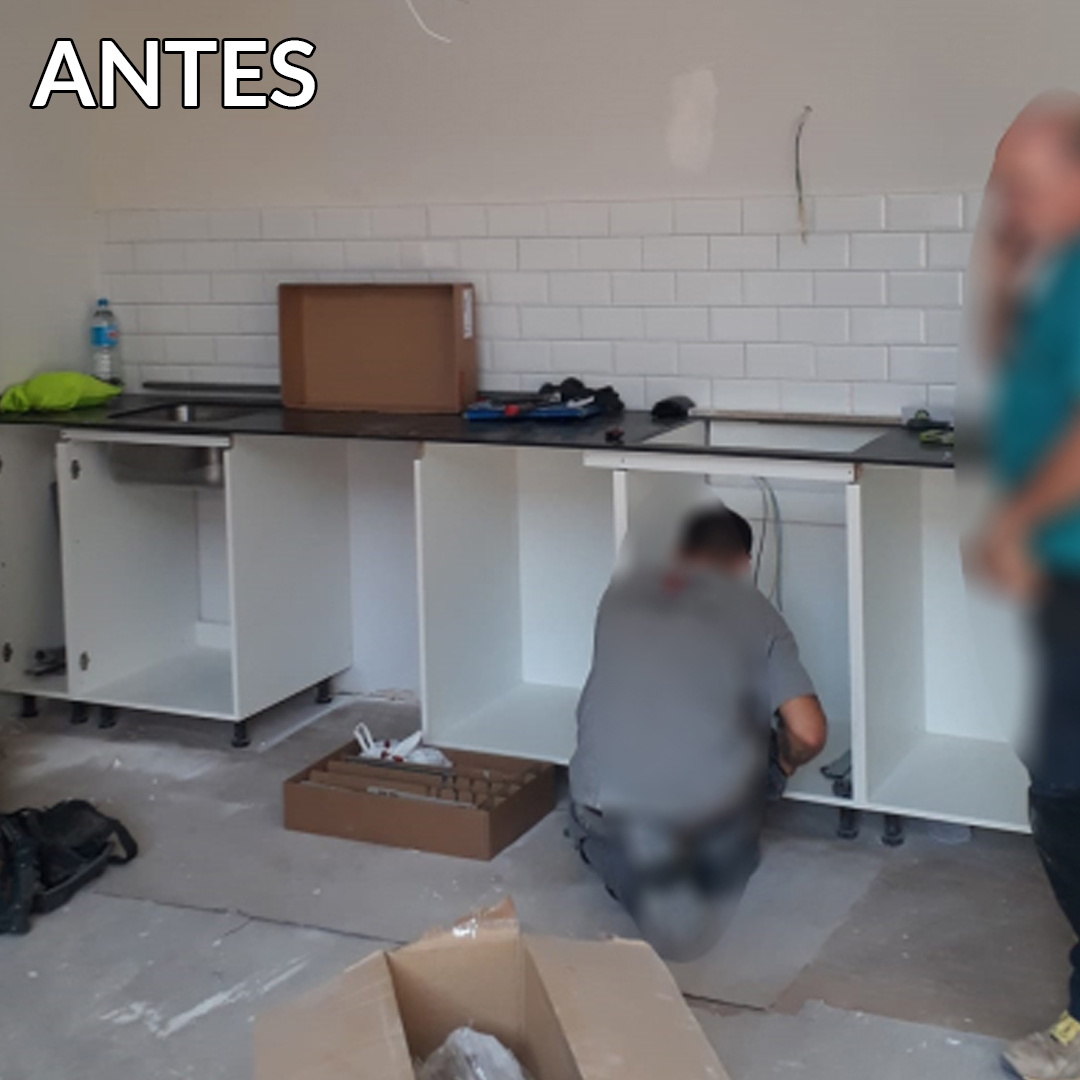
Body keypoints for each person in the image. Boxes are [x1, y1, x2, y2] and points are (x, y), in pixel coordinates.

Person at [567, 505, 828, 960]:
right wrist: (782, 764)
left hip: (601, 796)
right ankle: (638, 860)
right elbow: (809, 732)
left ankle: (629, 848)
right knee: (684, 933)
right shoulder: (757, 615)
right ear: (742, 565)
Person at [971, 92, 1080, 1080]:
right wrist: (1002, 268)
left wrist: (1009, 522)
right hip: (1061, 571)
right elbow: (1013, 364)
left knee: (1064, 790)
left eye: (1022, 185)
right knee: (1060, 780)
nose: (1008, 202)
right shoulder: (1059, 271)